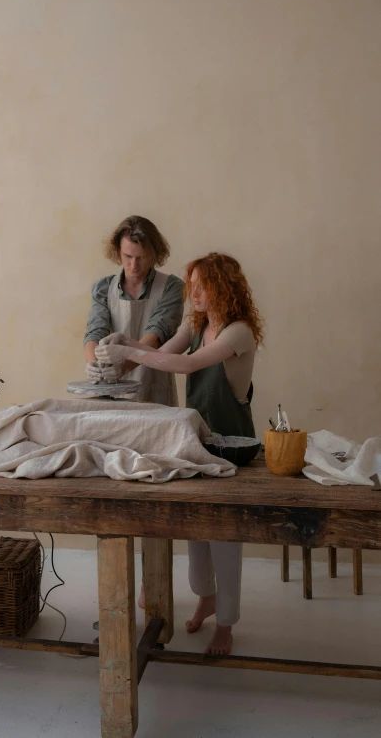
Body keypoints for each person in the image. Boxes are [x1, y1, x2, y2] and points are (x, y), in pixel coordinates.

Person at [96, 252, 264, 655]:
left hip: (231, 445)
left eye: (201, 285)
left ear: (224, 286)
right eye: (192, 285)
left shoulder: (238, 332)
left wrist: (130, 355)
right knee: (196, 529)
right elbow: (165, 352)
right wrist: (126, 344)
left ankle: (226, 623)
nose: (194, 293)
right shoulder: (198, 324)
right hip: (195, 440)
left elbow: (184, 367)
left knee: (225, 534)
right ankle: (205, 598)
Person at [84, 215, 184, 405]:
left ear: (154, 253)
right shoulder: (103, 288)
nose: (134, 265)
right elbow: (95, 331)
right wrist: (92, 365)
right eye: (128, 257)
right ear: (118, 251)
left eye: (141, 257)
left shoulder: (171, 287)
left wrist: (121, 368)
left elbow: (156, 336)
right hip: (112, 389)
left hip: (154, 387)